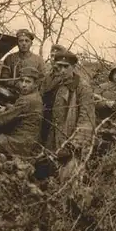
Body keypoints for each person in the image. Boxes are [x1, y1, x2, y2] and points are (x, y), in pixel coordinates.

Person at [40, 50, 95, 181]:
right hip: (53, 136)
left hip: (71, 140)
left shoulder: (82, 88)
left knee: (69, 177)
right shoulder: (55, 83)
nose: (63, 70)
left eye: (66, 67)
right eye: (60, 66)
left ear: (74, 67)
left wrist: (75, 143)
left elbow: (86, 119)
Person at [0, 67, 44, 158]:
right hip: (30, 140)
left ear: (35, 84)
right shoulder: (35, 96)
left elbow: (2, 120)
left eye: (28, 82)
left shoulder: (27, 100)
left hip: (20, 142)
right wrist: (9, 107)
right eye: (22, 81)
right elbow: (22, 111)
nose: (23, 85)